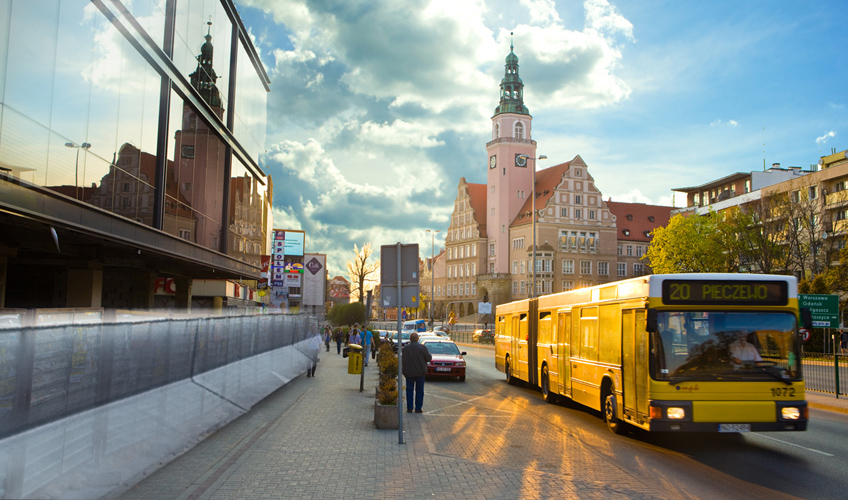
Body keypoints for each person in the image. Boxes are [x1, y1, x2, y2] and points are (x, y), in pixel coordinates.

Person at [402, 332, 432, 414]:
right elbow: (429, 358)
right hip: (420, 373)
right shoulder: (422, 348)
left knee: (409, 390)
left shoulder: (405, 349)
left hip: (409, 373)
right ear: (417, 339)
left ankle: (409, 408)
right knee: (419, 390)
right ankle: (418, 408)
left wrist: (403, 371)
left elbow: (403, 361)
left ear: (410, 339)